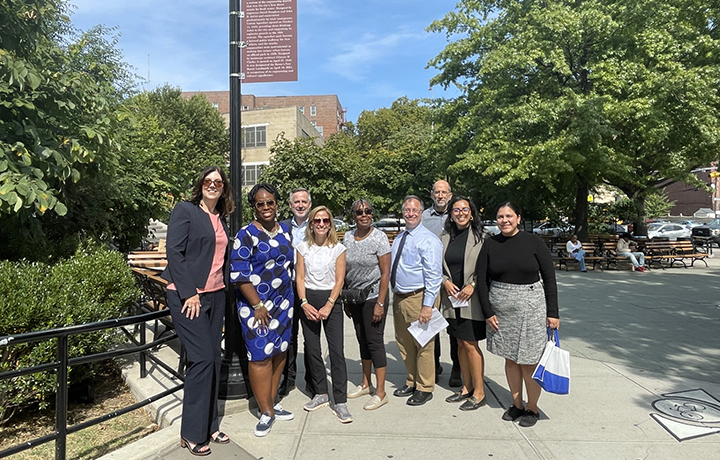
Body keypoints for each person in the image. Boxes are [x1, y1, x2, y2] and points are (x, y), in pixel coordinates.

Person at [161, 166, 234, 456]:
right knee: (202, 359)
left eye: (218, 182)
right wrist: (189, 292)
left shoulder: (221, 218)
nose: (212, 185)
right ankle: (191, 432)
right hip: (187, 297)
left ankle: (209, 425)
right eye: (208, 181)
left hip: (215, 296)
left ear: (224, 187)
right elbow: (173, 253)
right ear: (200, 184)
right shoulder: (186, 210)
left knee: (213, 360)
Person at [476, 202, 559, 428]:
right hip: (500, 309)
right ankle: (517, 404)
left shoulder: (534, 242)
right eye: (501, 216)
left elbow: (549, 278)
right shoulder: (490, 244)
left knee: (529, 360)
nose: (505, 220)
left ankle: (532, 407)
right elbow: (481, 281)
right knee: (511, 359)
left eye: (509, 216)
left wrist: (553, 313)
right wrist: (487, 311)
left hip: (531, 307)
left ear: (518, 218)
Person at [230, 183, 295, 437]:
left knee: (279, 351)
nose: (266, 207)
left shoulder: (286, 231)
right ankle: (265, 411)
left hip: (283, 303)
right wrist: (257, 304)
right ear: (254, 208)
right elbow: (239, 274)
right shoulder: (246, 234)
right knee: (260, 354)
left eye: (270, 202)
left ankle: (272, 401)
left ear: (277, 203)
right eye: (260, 204)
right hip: (255, 306)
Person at [296, 206, 352, 423]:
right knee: (312, 348)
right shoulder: (302, 248)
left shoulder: (338, 248)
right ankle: (320, 392)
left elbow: (339, 280)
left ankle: (340, 400)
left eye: (325, 221)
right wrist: (304, 303)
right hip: (309, 298)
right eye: (317, 221)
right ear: (311, 224)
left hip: (331, 299)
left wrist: (330, 304)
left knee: (336, 350)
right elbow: (300, 278)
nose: (321, 224)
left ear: (330, 224)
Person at [392, 195, 443, 406]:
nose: (410, 214)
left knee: (424, 344)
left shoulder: (429, 240)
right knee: (404, 344)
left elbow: (434, 276)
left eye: (415, 210)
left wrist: (427, 305)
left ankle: (424, 387)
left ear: (421, 213)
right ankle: (412, 380)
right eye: (407, 210)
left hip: (419, 297)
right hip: (400, 298)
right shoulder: (400, 237)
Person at [440, 196, 490, 411]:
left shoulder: (483, 237)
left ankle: (479, 392)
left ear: (472, 212)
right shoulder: (444, 237)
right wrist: (445, 282)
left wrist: (473, 285)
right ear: (451, 213)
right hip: (452, 299)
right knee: (459, 342)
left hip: (472, 299)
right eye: (456, 210)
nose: (461, 213)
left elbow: (489, 268)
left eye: (465, 209)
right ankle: (466, 387)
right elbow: (436, 267)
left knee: (470, 344)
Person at [343, 199, 391, 411]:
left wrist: (380, 302)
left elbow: (385, 273)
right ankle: (365, 383)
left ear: (373, 214)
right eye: (359, 212)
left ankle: (381, 392)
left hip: (373, 296)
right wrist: (345, 298)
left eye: (367, 211)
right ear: (353, 216)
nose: (364, 215)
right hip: (354, 296)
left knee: (374, 341)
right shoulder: (347, 237)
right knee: (362, 339)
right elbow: (344, 267)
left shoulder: (379, 238)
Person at [421, 180, 462, 387]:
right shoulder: (424, 217)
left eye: (444, 192)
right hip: (430, 279)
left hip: (452, 277)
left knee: (454, 326)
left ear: (450, 194)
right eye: (437, 192)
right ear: (431, 195)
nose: (440, 195)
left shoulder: (457, 214)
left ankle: (457, 366)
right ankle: (434, 364)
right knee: (432, 325)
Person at [278, 187, 313, 397]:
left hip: (310, 287)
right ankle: (288, 379)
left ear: (309, 204)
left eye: (304, 202)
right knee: (289, 336)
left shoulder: (318, 225)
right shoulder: (281, 227)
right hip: (287, 287)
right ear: (290, 205)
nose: (300, 205)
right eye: (296, 202)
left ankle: (312, 380)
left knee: (310, 336)